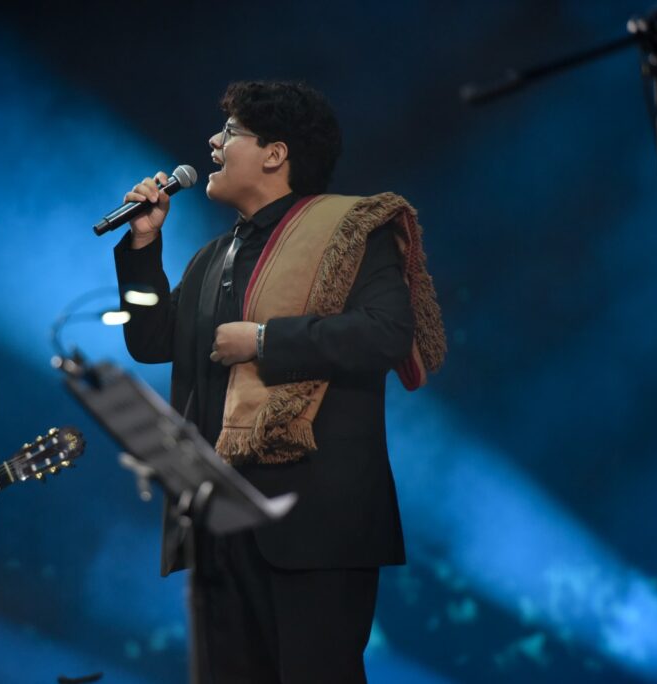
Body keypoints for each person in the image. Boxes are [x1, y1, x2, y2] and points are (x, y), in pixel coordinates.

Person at [113, 81, 446, 683]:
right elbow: (151, 340)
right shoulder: (213, 256)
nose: (212, 143)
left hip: (316, 525)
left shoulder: (350, 234)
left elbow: (386, 335)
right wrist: (143, 244)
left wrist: (266, 341)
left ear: (275, 153)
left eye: (230, 132)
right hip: (221, 525)